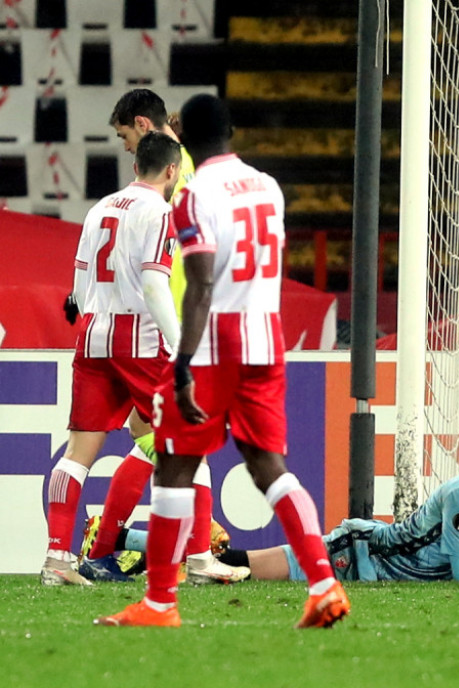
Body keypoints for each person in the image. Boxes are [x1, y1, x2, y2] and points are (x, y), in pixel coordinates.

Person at [95, 94, 347, 629]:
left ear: (182, 130)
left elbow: (203, 281)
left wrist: (183, 359)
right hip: (266, 337)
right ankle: (323, 584)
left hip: (215, 343)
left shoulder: (192, 195)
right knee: (269, 467)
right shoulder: (268, 187)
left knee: (173, 464)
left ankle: (160, 602)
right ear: (232, 131)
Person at [79, 89, 243, 585]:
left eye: (126, 135)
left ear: (143, 127)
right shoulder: (194, 168)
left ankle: (111, 545)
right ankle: (172, 554)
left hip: (168, 326)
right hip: (173, 324)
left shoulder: (171, 179)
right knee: (151, 437)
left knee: (157, 438)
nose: (127, 147)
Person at [116, 431, 459, 584]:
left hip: (381, 566)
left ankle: (131, 543)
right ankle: (124, 540)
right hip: (359, 553)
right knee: (237, 568)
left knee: (228, 566)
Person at [41, 132, 183, 586]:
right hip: (139, 341)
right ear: (172, 171)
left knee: (77, 454)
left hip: (93, 337)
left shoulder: (100, 207)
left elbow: (80, 282)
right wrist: (178, 344)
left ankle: (57, 559)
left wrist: (88, 320)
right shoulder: (161, 212)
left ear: (135, 165)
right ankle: (190, 559)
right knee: (180, 447)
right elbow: (155, 284)